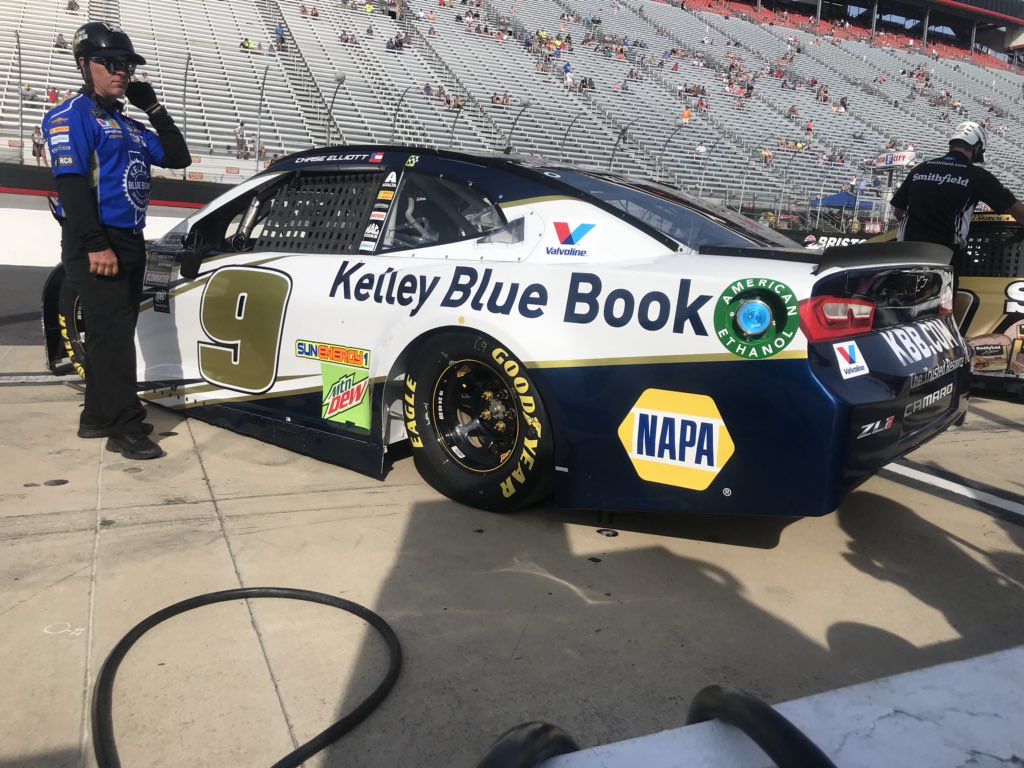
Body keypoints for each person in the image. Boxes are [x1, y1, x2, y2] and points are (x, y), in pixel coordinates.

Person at [43, 22, 190, 459]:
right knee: (115, 341)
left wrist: (156, 108)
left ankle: (95, 417)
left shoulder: (126, 124)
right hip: (96, 240)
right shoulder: (71, 116)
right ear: (85, 64)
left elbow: (177, 157)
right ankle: (124, 429)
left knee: (114, 333)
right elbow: (71, 187)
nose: (121, 71)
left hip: (129, 239)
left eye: (125, 64)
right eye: (111, 63)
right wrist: (94, 245)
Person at [891, 121, 1024, 273]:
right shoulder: (977, 176)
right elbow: (1015, 208)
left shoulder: (920, 169)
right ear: (978, 147)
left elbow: (898, 212)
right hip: (942, 257)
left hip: (905, 253)